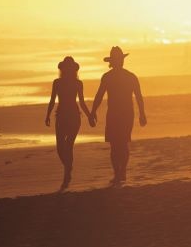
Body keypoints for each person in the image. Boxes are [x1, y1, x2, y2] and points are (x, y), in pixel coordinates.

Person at [90, 46, 147, 186]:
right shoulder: (125, 77)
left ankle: (120, 172)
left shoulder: (113, 77)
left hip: (120, 114)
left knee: (118, 144)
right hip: (121, 114)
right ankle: (119, 172)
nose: (119, 62)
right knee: (119, 144)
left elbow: (139, 96)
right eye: (118, 60)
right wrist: (92, 112)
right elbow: (99, 96)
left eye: (119, 59)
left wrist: (142, 114)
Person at [45, 56, 91, 191]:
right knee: (60, 147)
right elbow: (52, 100)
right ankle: (68, 168)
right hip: (61, 116)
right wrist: (47, 115)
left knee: (68, 145)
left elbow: (82, 102)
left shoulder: (78, 83)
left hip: (73, 116)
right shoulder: (57, 83)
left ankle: (67, 173)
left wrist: (89, 116)